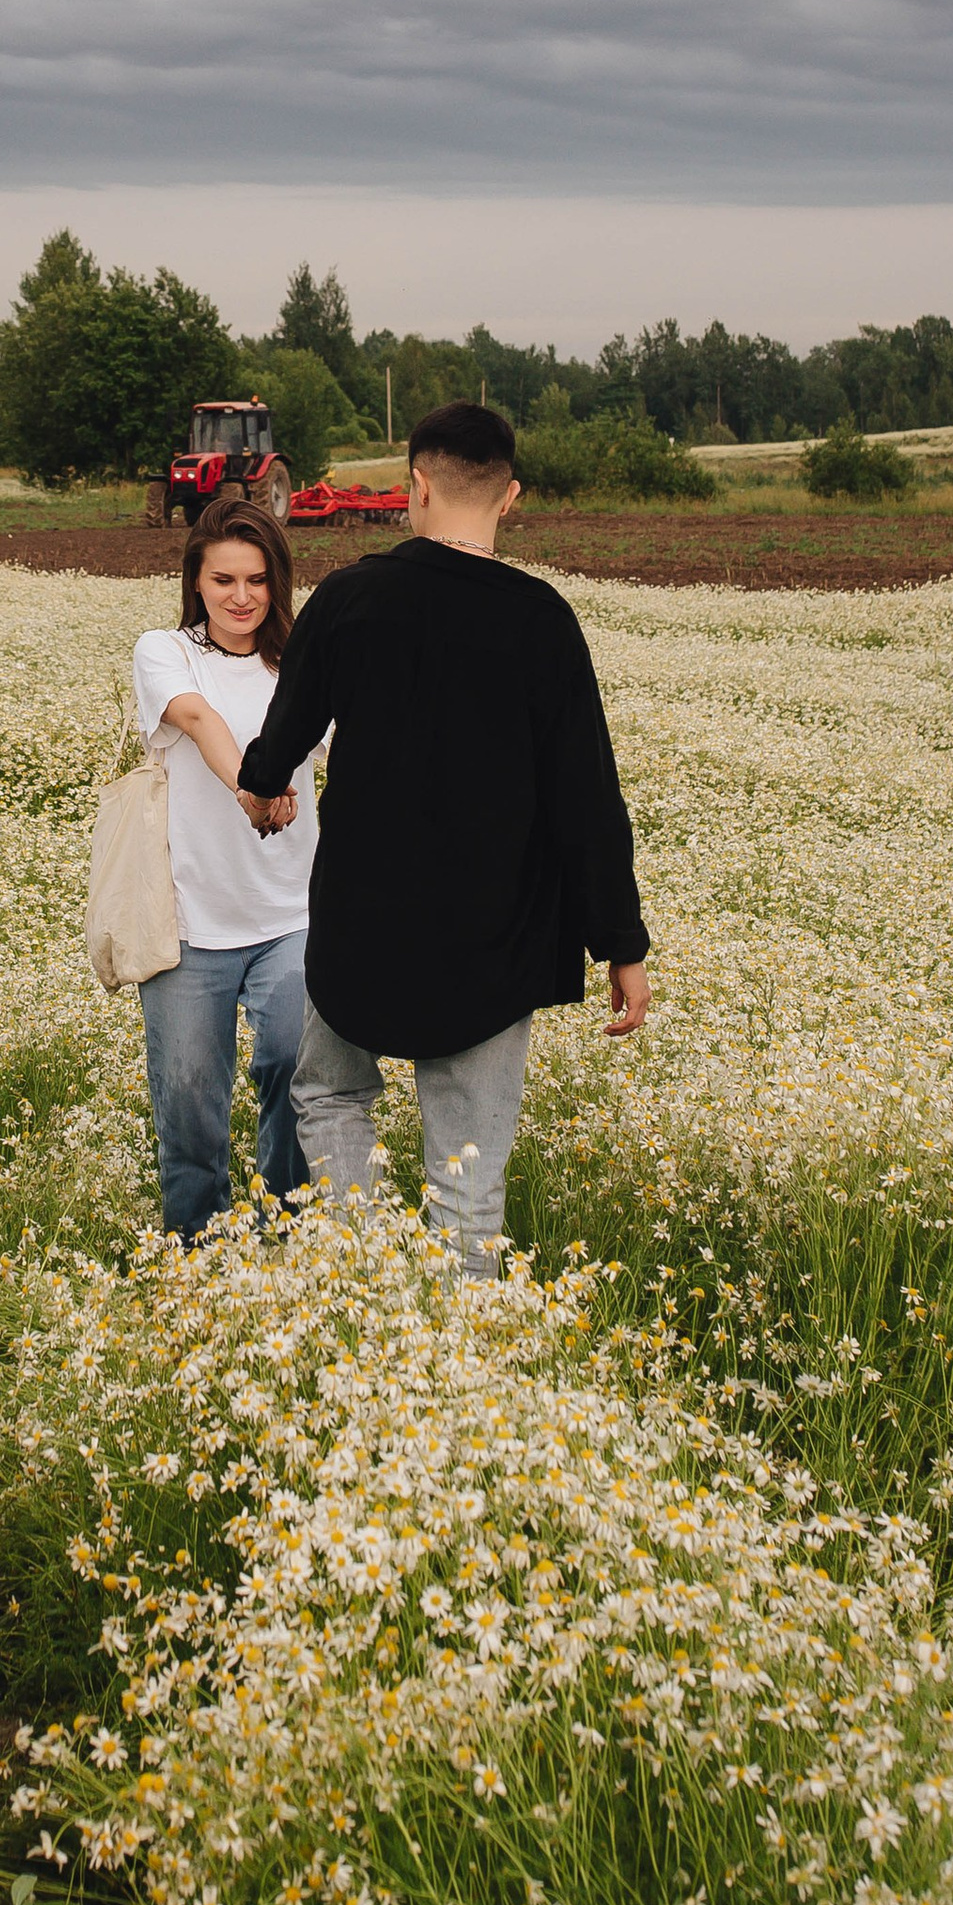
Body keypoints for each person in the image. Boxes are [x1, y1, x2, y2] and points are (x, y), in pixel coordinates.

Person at [233, 398, 649, 1279]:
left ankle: (357, 1271)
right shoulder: (543, 620)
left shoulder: (351, 597)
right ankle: (463, 1342)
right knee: (468, 1177)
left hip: (361, 928)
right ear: (510, 498)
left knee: (330, 1091)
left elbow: (286, 731)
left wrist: (262, 786)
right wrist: (622, 945)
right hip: (495, 941)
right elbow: (588, 797)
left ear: (414, 486)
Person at [128, 505, 323, 1242]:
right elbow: (203, 722)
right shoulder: (165, 650)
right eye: (224, 580)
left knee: (293, 1074)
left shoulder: (306, 660)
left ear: (279, 584)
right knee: (188, 1100)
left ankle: (289, 1231)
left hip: (292, 916)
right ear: (196, 581)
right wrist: (256, 787)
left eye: (258, 581)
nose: (241, 598)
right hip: (188, 920)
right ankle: (196, 1250)